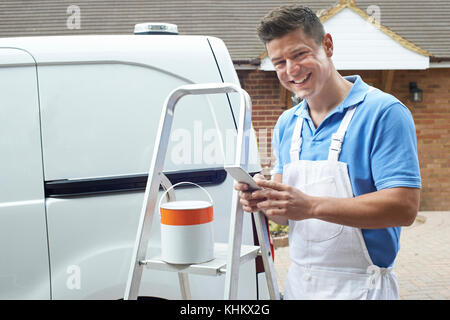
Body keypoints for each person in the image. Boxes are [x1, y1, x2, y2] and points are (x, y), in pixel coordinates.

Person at [235, 4, 421, 300]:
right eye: (279, 62)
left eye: (299, 54)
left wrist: (309, 206)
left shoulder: (384, 113)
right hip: (299, 287)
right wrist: (265, 198)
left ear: (328, 45)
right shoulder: (288, 123)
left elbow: (404, 207)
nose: (291, 70)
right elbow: (286, 216)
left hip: (363, 289)